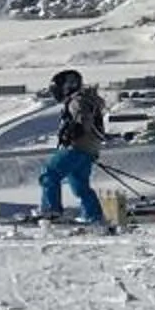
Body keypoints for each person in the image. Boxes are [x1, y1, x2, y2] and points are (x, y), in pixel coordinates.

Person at [38, 68, 106, 226]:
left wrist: (74, 131)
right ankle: (93, 217)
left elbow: (84, 119)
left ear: (67, 87)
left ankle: (51, 212)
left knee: (50, 173)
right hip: (88, 151)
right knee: (80, 187)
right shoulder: (86, 99)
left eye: (56, 90)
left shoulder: (77, 101)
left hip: (76, 148)